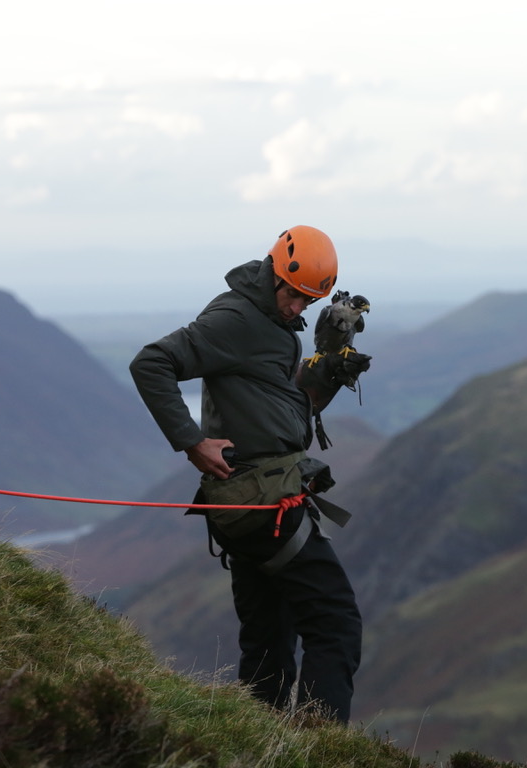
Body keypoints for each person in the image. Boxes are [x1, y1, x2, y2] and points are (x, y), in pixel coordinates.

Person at [129, 226, 364, 724]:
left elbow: (278, 410)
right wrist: (192, 441)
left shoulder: (270, 324)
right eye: (295, 295)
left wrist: (324, 372)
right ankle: (325, 759)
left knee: (269, 637)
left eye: (309, 301)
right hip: (262, 500)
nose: (299, 308)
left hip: (244, 504)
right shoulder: (235, 319)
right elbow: (152, 362)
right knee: (335, 623)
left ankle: (261, 752)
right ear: (277, 272)